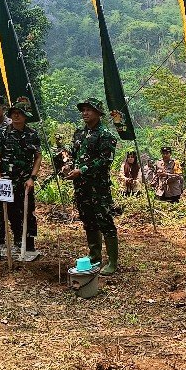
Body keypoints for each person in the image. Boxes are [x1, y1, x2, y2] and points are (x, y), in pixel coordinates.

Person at [64, 98, 119, 274]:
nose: (85, 113)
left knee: (105, 221)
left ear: (98, 113)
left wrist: (82, 170)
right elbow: (73, 154)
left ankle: (112, 262)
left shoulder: (106, 135)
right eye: (83, 110)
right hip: (81, 187)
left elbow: (105, 161)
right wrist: (68, 165)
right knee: (88, 220)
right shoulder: (79, 133)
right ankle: (95, 257)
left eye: (89, 110)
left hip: (98, 188)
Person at [0, 98, 42, 260]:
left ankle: (28, 245)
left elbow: (38, 157)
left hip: (24, 182)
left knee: (27, 213)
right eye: (14, 113)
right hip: (5, 181)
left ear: (26, 116)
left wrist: (32, 178)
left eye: (20, 113)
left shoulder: (32, 135)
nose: (16, 116)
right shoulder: (2, 134)